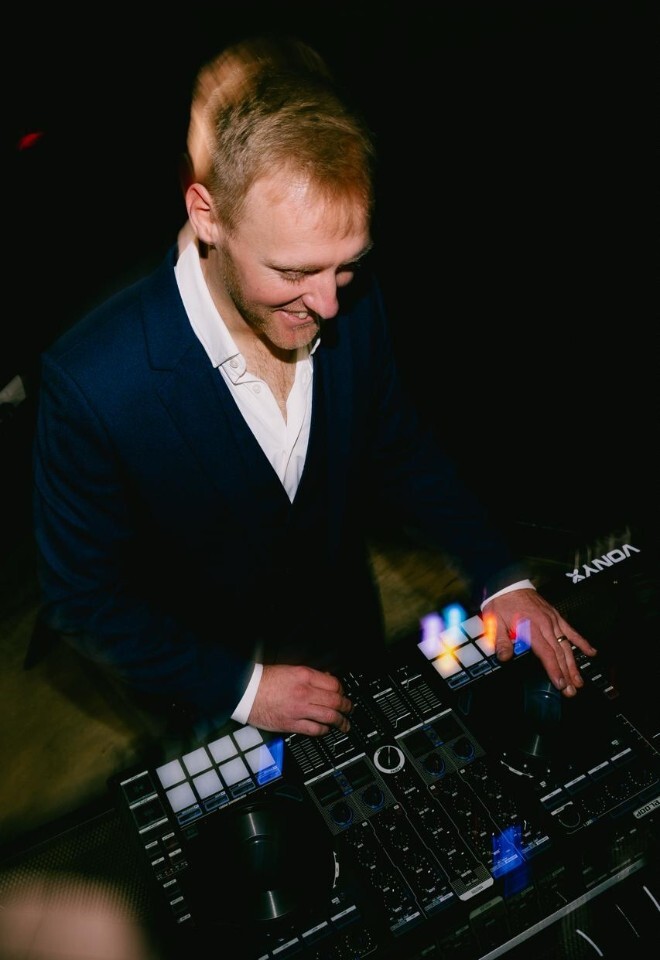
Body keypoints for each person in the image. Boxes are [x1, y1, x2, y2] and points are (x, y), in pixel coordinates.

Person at [32, 34, 596, 742]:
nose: (329, 303)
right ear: (207, 214)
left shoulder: (349, 296)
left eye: (346, 265)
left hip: (349, 639)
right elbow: (84, 598)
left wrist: (502, 578)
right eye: (294, 273)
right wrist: (243, 689)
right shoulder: (93, 383)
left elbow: (399, 447)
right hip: (208, 698)